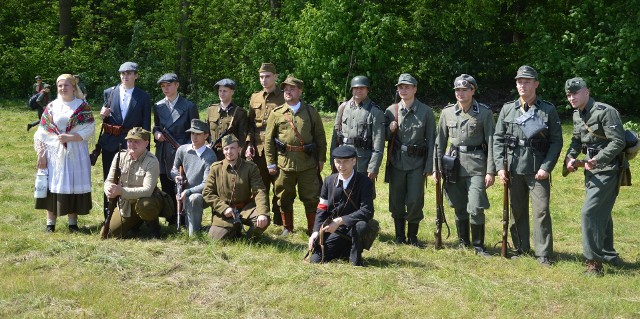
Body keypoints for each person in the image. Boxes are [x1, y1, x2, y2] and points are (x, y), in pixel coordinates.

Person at [493, 65, 563, 266]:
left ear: (536, 84)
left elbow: (556, 141)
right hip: (513, 167)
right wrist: (500, 167)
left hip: (537, 169)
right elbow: (497, 139)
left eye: (527, 81)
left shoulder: (547, 109)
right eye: (519, 81)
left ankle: (543, 252)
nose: (522, 85)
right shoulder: (508, 109)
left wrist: (546, 167)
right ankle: (521, 247)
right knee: (517, 210)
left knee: (541, 211)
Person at [563, 77, 626, 275]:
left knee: (589, 213)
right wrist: (570, 157)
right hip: (590, 171)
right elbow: (576, 140)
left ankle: (593, 263)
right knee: (602, 212)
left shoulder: (605, 111)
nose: (572, 97)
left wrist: (597, 160)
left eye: (575, 93)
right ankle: (608, 254)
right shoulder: (577, 115)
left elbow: (618, 142)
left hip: (607, 170)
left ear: (586, 92)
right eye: (569, 94)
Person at [433, 74, 495, 256]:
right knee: (459, 205)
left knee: (475, 206)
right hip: (452, 165)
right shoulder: (447, 113)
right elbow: (440, 142)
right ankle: (463, 241)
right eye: (457, 90)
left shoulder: (484, 112)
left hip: (476, 165)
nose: (460, 93)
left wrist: (491, 171)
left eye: (464, 89)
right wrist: (436, 168)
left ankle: (478, 245)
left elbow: (491, 142)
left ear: (473, 90)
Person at [264, 75, 327, 236]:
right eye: (285, 88)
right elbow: (269, 140)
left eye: (292, 88)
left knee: (312, 197)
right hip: (284, 162)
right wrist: (271, 163)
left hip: (307, 163)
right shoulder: (277, 113)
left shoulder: (311, 112)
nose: (288, 91)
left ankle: (313, 228)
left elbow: (320, 137)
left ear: (300, 91)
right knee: (283, 196)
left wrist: (321, 159)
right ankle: (287, 228)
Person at [33, 74, 95, 232]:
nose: (62, 88)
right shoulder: (52, 106)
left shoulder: (82, 106)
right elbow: (42, 132)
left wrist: (71, 137)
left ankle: (73, 223)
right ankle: (50, 224)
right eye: (60, 85)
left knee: (73, 184)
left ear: (74, 87)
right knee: (53, 185)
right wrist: (41, 155)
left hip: (76, 151)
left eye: (66, 85)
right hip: (54, 153)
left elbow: (90, 128)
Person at [385, 73, 435, 246]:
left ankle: (412, 236)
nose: (403, 90)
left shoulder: (426, 112)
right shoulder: (391, 111)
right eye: (400, 87)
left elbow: (432, 140)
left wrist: (430, 166)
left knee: (415, 200)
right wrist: (390, 130)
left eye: (407, 87)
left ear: (415, 89)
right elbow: (382, 136)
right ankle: (399, 236)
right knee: (396, 200)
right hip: (397, 162)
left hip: (417, 163)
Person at [98, 61, 152, 219]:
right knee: (110, 179)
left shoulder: (143, 96)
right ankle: (108, 215)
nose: (125, 76)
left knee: (132, 180)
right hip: (110, 142)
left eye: (129, 73)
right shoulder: (110, 92)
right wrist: (102, 115)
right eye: (122, 73)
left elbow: (146, 126)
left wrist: (145, 148)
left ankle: (131, 218)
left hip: (133, 145)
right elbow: (105, 118)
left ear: (136, 76)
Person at [308, 146, 378, 266]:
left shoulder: (365, 182)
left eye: (346, 161)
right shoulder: (329, 181)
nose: (341, 166)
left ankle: (356, 254)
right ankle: (344, 250)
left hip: (354, 227)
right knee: (315, 260)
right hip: (335, 229)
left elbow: (367, 211)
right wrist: (315, 231)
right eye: (338, 161)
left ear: (354, 161)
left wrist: (340, 221)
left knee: (361, 226)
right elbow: (322, 208)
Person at [101, 127, 172, 239]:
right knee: (110, 234)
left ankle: (154, 228)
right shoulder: (119, 156)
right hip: (126, 204)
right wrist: (109, 190)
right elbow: (108, 181)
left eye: (136, 141)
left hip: (146, 199)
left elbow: (147, 190)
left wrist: (121, 191)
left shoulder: (152, 161)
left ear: (146, 143)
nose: (132, 144)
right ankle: (136, 222)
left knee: (145, 205)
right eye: (129, 141)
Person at [152, 73, 199, 224]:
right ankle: (170, 216)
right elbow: (156, 126)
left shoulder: (189, 106)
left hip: (183, 150)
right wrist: (156, 133)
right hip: (164, 150)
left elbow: (195, 130)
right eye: (163, 86)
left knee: (183, 184)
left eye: (169, 85)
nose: (166, 89)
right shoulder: (158, 106)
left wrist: (186, 148)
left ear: (177, 85)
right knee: (166, 182)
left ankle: (184, 217)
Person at [203, 134, 269, 240]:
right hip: (225, 212)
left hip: (246, 209)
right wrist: (223, 208)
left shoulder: (250, 168)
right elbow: (207, 193)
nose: (229, 152)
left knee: (263, 220)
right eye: (226, 149)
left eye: (232, 148)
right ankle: (234, 229)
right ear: (223, 151)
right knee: (215, 239)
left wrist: (262, 213)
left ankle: (248, 240)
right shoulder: (216, 168)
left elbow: (259, 191)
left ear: (239, 148)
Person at [246, 63, 286, 226]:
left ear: (275, 77)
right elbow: (249, 124)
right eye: (261, 77)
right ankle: (261, 217)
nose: (264, 80)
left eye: (268, 76)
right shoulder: (255, 97)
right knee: (259, 185)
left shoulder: (284, 97)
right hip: (258, 149)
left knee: (279, 185)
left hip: (277, 148)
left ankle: (279, 221)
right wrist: (248, 144)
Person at [330, 75, 385, 182]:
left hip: (362, 161)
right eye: (356, 88)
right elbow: (335, 137)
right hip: (343, 159)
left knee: (363, 193)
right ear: (351, 90)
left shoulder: (375, 112)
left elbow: (378, 142)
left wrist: (373, 166)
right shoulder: (343, 108)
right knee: (343, 190)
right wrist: (333, 159)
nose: (358, 90)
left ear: (367, 90)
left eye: (362, 88)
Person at [171, 119, 217, 236]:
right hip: (184, 192)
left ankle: (194, 235)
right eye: (192, 133)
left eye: (198, 134)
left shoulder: (210, 156)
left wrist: (188, 191)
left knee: (194, 198)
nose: (194, 137)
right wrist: (177, 176)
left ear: (206, 135)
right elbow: (174, 169)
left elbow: (206, 183)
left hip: (202, 195)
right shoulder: (182, 150)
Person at [206, 78, 248, 160]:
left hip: (230, 154)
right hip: (212, 152)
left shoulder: (240, 112)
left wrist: (237, 153)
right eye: (220, 91)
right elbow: (205, 131)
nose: (222, 93)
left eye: (225, 91)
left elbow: (242, 137)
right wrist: (206, 144)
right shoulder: (211, 110)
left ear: (232, 92)